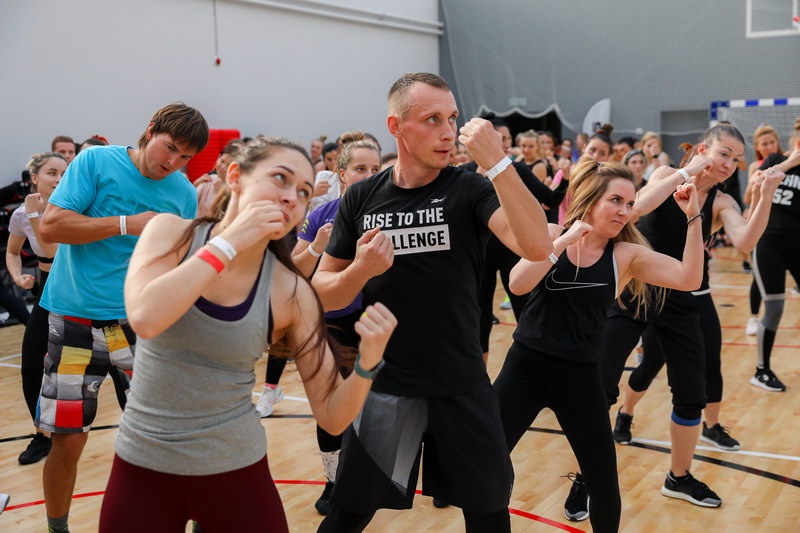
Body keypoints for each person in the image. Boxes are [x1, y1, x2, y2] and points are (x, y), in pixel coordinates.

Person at [97, 136, 396, 532]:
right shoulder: (170, 233)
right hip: (143, 465)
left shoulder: (290, 290)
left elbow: (332, 415)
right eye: (281, 178)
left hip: (235, 468)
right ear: (235, 176)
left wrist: (368, 364)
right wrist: (232, 240)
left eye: (304, 192)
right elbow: (146, 318)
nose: (291, 197)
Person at [313, 72, 552, 533]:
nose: (448, 132)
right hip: (387, 385)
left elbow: (538, 247)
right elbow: (322, 293)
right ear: (396, 126)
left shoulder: (469, 189)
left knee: (488, 513)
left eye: (452, 119)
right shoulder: (362, 197)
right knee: (348, 514)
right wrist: (360, 270)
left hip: (461, 382)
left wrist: (497, 162)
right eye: (432, 119)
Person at [495, 155, 705, 533]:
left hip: (580, 377)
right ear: (591, 200)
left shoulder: (625, 255)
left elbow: (689, 278)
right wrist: (563, 241)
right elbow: (517, 284)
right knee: (486, 462)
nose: (625, 211)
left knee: (603, 482)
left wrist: (694, 217)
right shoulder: (551, 232)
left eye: (630, 203)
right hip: (525, 368)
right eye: (616, 201)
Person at [588, 124, 784, 518]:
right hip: (635, 291)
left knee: (692, 391)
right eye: (723, 153)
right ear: (702, 150)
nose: (729, 163)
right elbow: (638, 208)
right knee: (600, 386)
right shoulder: (666, 174)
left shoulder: (721, 201)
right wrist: (686, 172)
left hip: (680, 298)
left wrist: (765, 196)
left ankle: (678, 477)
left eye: (736, 158)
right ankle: (585, 477)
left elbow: (745, 241)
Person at [35, 103, 208, 533]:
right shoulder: (96, 161)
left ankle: (191, 519)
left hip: (141, 326)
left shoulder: (183, 194)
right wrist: (128, 223)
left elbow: (177, 263)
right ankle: (58, 529)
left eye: (185, 157)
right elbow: (52, 227)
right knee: (68, 441)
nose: (173, 162)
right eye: (170, 148)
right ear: (150, 131)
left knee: (169, 435)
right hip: (75, 322)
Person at [291, 132, 381, 515]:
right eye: (360, 169)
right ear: (341, 173)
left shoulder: (392, 212)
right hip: (329, 323)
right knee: (330, 407)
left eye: (375, 169)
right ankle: (333, 481)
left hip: (375, 320)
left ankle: (368, 477)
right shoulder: (321, 215)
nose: (369, 176)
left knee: (373, 407)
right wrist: (317, 247)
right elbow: (295, 270)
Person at [8, 153, 66, 465]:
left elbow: (51, 248)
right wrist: (18, 276)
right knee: (32, 364)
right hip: (47, 287)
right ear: (35, 178)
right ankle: (42, 435)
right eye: (51, 173)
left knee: (115, 364)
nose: (58, 179)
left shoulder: (72, 208)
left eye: (63, 173)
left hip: (77, 287)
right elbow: (13, 252)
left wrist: (35, 214)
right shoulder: (21, 214)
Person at [750, 119, 800, 391]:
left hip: (797, 243)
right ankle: (762, 370)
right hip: (769, 242)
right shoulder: (776, 160)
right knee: (775, 307)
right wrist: (790, 162)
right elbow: (757, 182)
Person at [745, 124, 783, 335]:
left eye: (772, 142)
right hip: (763, 228)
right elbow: (747, 198)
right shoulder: (755, 167)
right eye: (764, 144)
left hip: (784, 227)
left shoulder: (787, 162)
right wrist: (755, 185)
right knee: (758, 276)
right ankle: (753, 318)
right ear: (758, 147)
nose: (769, 147)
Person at [194, 139, 244, 218]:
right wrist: (193, 186)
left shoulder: (239, 188)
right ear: (218, 157)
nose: (223, 167)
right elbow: (187, 204)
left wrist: (221, 193)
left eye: (228, 165)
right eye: (222, 161)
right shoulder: (208, 180)